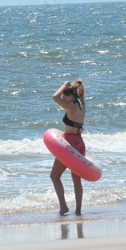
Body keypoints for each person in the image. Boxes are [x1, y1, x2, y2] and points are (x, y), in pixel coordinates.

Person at [50, 80, 87, 216]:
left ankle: (63, 207)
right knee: (76, 179)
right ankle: (78, 211)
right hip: (80, 142)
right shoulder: (82, 104)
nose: (64, 98)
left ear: (71, 96)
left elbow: (55, 97)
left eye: (66, 95)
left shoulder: (71, 107)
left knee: (54, 176)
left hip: (69, 143)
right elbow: (82, 93)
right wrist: (77, 88)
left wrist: (64, 86)